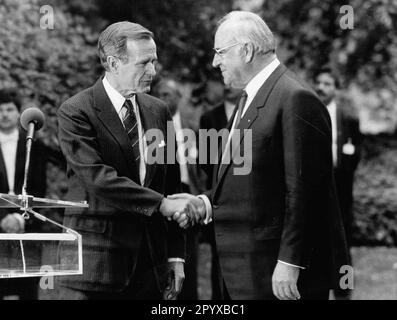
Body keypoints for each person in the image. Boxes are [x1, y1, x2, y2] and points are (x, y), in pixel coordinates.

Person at [170, 11, 350, 300]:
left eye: (220, 52)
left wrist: (290, 262)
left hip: (277, 277)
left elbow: (306, 192)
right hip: (245, 273)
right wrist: (204, 203)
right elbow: (251, 180)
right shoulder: (251, 97)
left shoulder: (295, 99)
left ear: (246, 50)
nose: (215, 62)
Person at [52, 21, 190, 300]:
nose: (153, 71)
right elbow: (97, 178)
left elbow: (171, 184)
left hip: (149, 267)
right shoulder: (76, 111)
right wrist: (159, 204)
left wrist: (176, 256)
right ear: (114, 64)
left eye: (154, 61)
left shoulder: (158, 111)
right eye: (144, 63)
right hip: (95, 266)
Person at [0, 88, 62, 299]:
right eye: (0, 110)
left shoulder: (33, 146)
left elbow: (39, 188)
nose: (5, 114)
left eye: (9, 109)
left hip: (27, 224)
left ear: (19, 114)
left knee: (27, 285)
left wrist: (19, 217)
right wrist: (3, 219)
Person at [153, 78, 206, 299]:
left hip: (188, 193)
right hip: (162, 196)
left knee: (188, 256)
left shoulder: (192, 126)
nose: (163, 99)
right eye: (160, 94)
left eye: (167, 95)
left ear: (178, 98)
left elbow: (204, 166)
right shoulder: (151, 125)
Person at [314, 67, 361, 299]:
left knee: (343, 242)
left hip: (341, 189)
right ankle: (319, 285)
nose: (321, 88)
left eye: (327, 83)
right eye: (319, 83)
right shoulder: (309, 114)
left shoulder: (348, 118)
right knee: (317, 239)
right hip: (315, 190)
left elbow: (357, 149)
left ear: (336, 88)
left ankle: (344, 288)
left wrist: (346, 164)